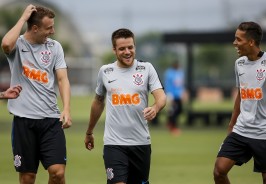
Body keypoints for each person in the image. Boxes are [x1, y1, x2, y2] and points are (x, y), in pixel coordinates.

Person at [84, 28, 166, 184]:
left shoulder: (146, 68)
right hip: (114, 144)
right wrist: (89, 131)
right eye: (122, 48)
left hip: (141, 143)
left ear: (135, 46)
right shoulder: (105, 71)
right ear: (114, 50)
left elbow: (161, 97)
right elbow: (98, 101)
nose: (127, 52)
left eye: (130, 47)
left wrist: (155, 108)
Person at [1, 4, 72, 184]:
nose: (53, 32)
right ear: (34, 28)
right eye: (49, 28)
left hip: (50, 120)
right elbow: (6, 43)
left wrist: (67, 109)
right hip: (23, 122)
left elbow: (63, 79)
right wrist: (23, 18)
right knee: (27, 178)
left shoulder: (55, 47)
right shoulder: (18, 46)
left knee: (58, 173)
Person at [213, 21, 266, 184]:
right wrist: (231, 126)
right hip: (241, 130)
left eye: (238, 39)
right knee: (219, 171)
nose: (234, 43)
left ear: (251, 42)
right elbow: (241, 95)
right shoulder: (239, 63)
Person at [164, 60, 187, 135]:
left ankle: (169, 122)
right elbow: (168, 84)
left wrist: (183, 93)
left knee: (179, 110)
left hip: (179, 95)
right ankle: (173, 127)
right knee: (173, 111)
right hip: (172, 95)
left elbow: (181, 84)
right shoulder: (169, 73)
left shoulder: (180, 73)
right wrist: (169, 95)